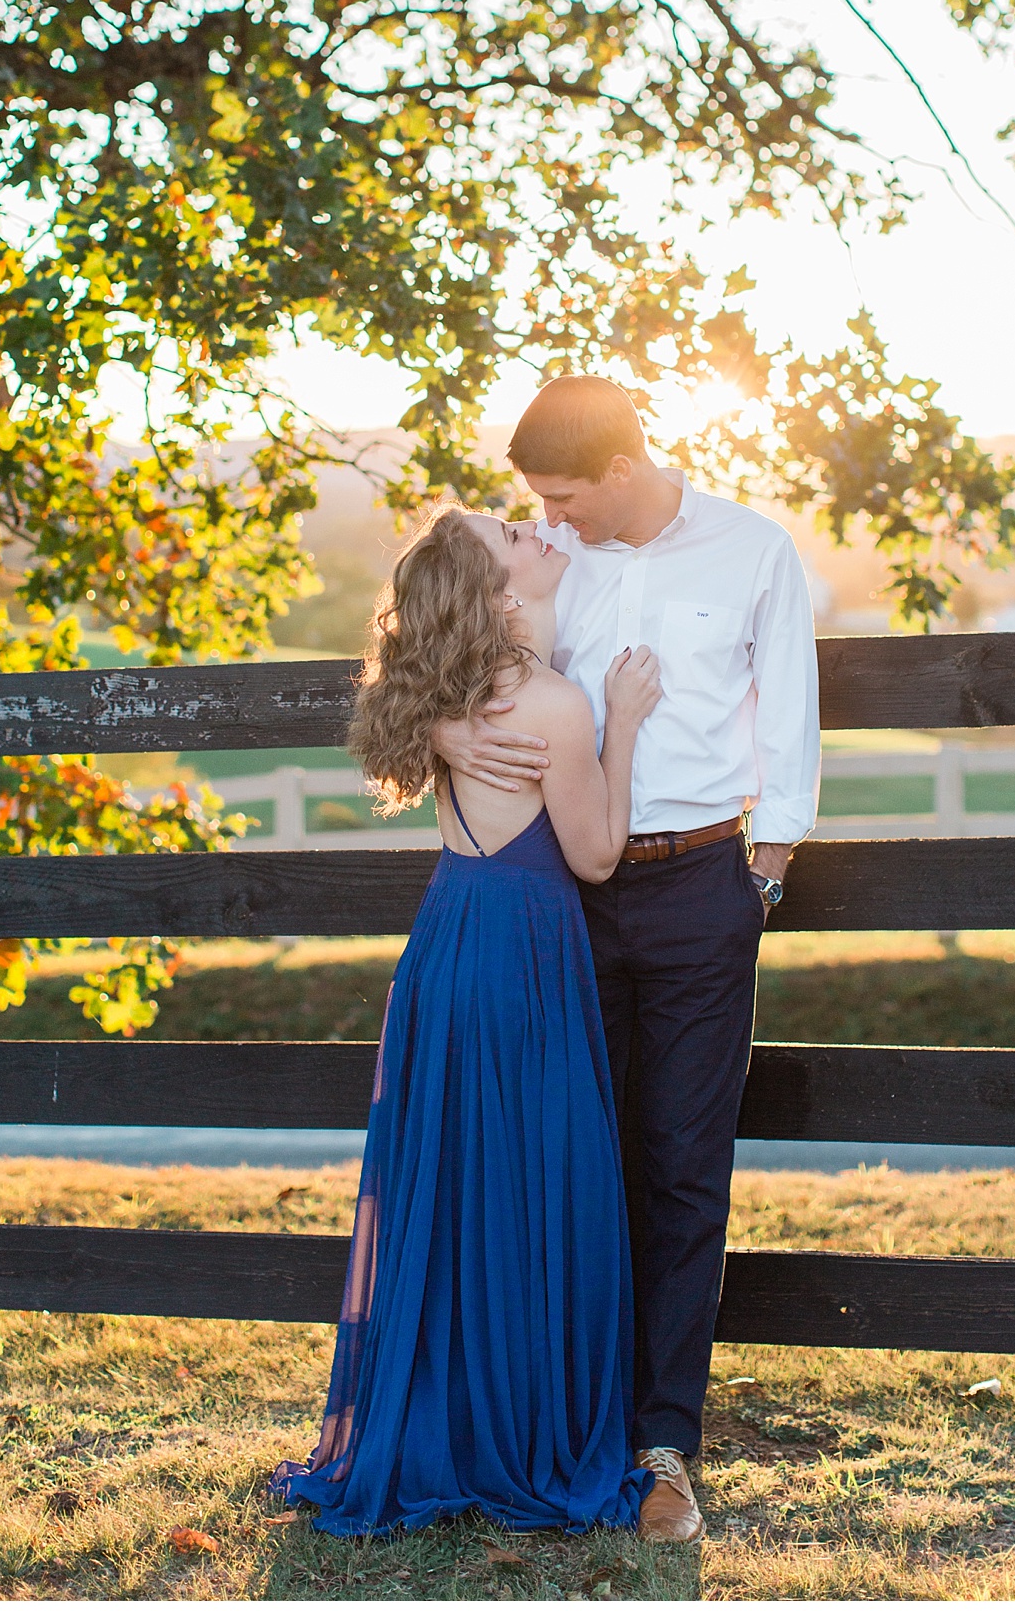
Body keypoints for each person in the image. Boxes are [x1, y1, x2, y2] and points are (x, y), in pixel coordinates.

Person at [435, 376, 821, 1543]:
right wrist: (450, 727)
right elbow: (441, 652)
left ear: (619, 465)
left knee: (684, 1167)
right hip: (565, 898)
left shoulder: (754, 549)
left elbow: (790, 717)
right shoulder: (547, 556)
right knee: (572, 1159)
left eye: (559, 490)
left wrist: (764, 874)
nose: (543, 510)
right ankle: (570, 1424)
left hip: (706, 888)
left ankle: (664, 1450)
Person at [272, 500, 664, 1537]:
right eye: (510, 534)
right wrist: (621, 724)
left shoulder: (441, 693)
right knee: (536, 1179)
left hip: (447, 943)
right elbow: (595, 855)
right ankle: (516, 1432)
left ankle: (439, 1418)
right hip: (527, 954)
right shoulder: (553, 703)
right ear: (496, 594)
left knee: (448, 1187)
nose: (528, 527)